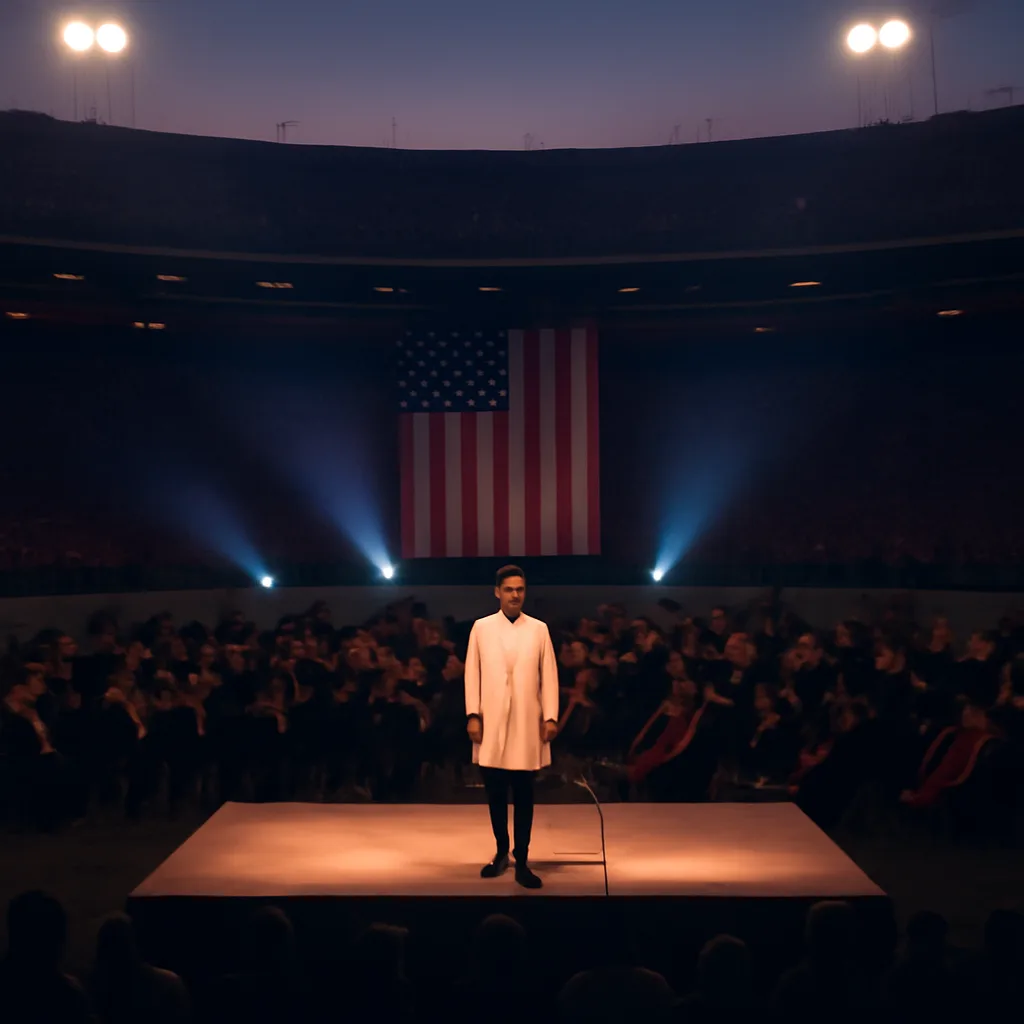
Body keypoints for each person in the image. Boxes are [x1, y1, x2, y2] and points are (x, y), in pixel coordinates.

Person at [465, 564, 559, 889]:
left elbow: (549, 675)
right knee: (494, 792)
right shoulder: (481, 627)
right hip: (490, 719)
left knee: (523, 792)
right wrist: (472, 715)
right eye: (509, 589)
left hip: (525, 721)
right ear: (497, 592)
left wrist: (550, 717)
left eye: (520, 589)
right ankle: (501, 851)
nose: (515, 594)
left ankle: (522, 858)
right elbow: (472, 674)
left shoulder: (539, 629)